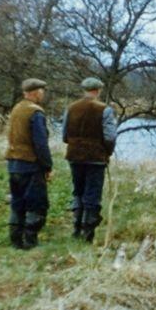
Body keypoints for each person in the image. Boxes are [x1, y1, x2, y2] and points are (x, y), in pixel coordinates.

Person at [62, 77, 117, 242]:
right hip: (95, 158)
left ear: (84, 90)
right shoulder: (104, 110)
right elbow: (110, 136)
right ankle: (88, 233)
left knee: (78, 191)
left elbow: (65, 135)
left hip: (74, 156)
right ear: (98, 90)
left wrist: (74, 145)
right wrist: (108, 152)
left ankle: (76, 228)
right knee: (92, 194)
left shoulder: (71, 108)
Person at [5, 78, 52, 249]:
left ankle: (15, 241)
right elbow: (40, 144)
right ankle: (30, 242)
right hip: (31, 165)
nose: (43, 94)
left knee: (18, 203)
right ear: (35, 92)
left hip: (13, 163)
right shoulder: (35, 112)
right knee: (36, 204)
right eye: (42, 90)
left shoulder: (17, 109)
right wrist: (47, 166)